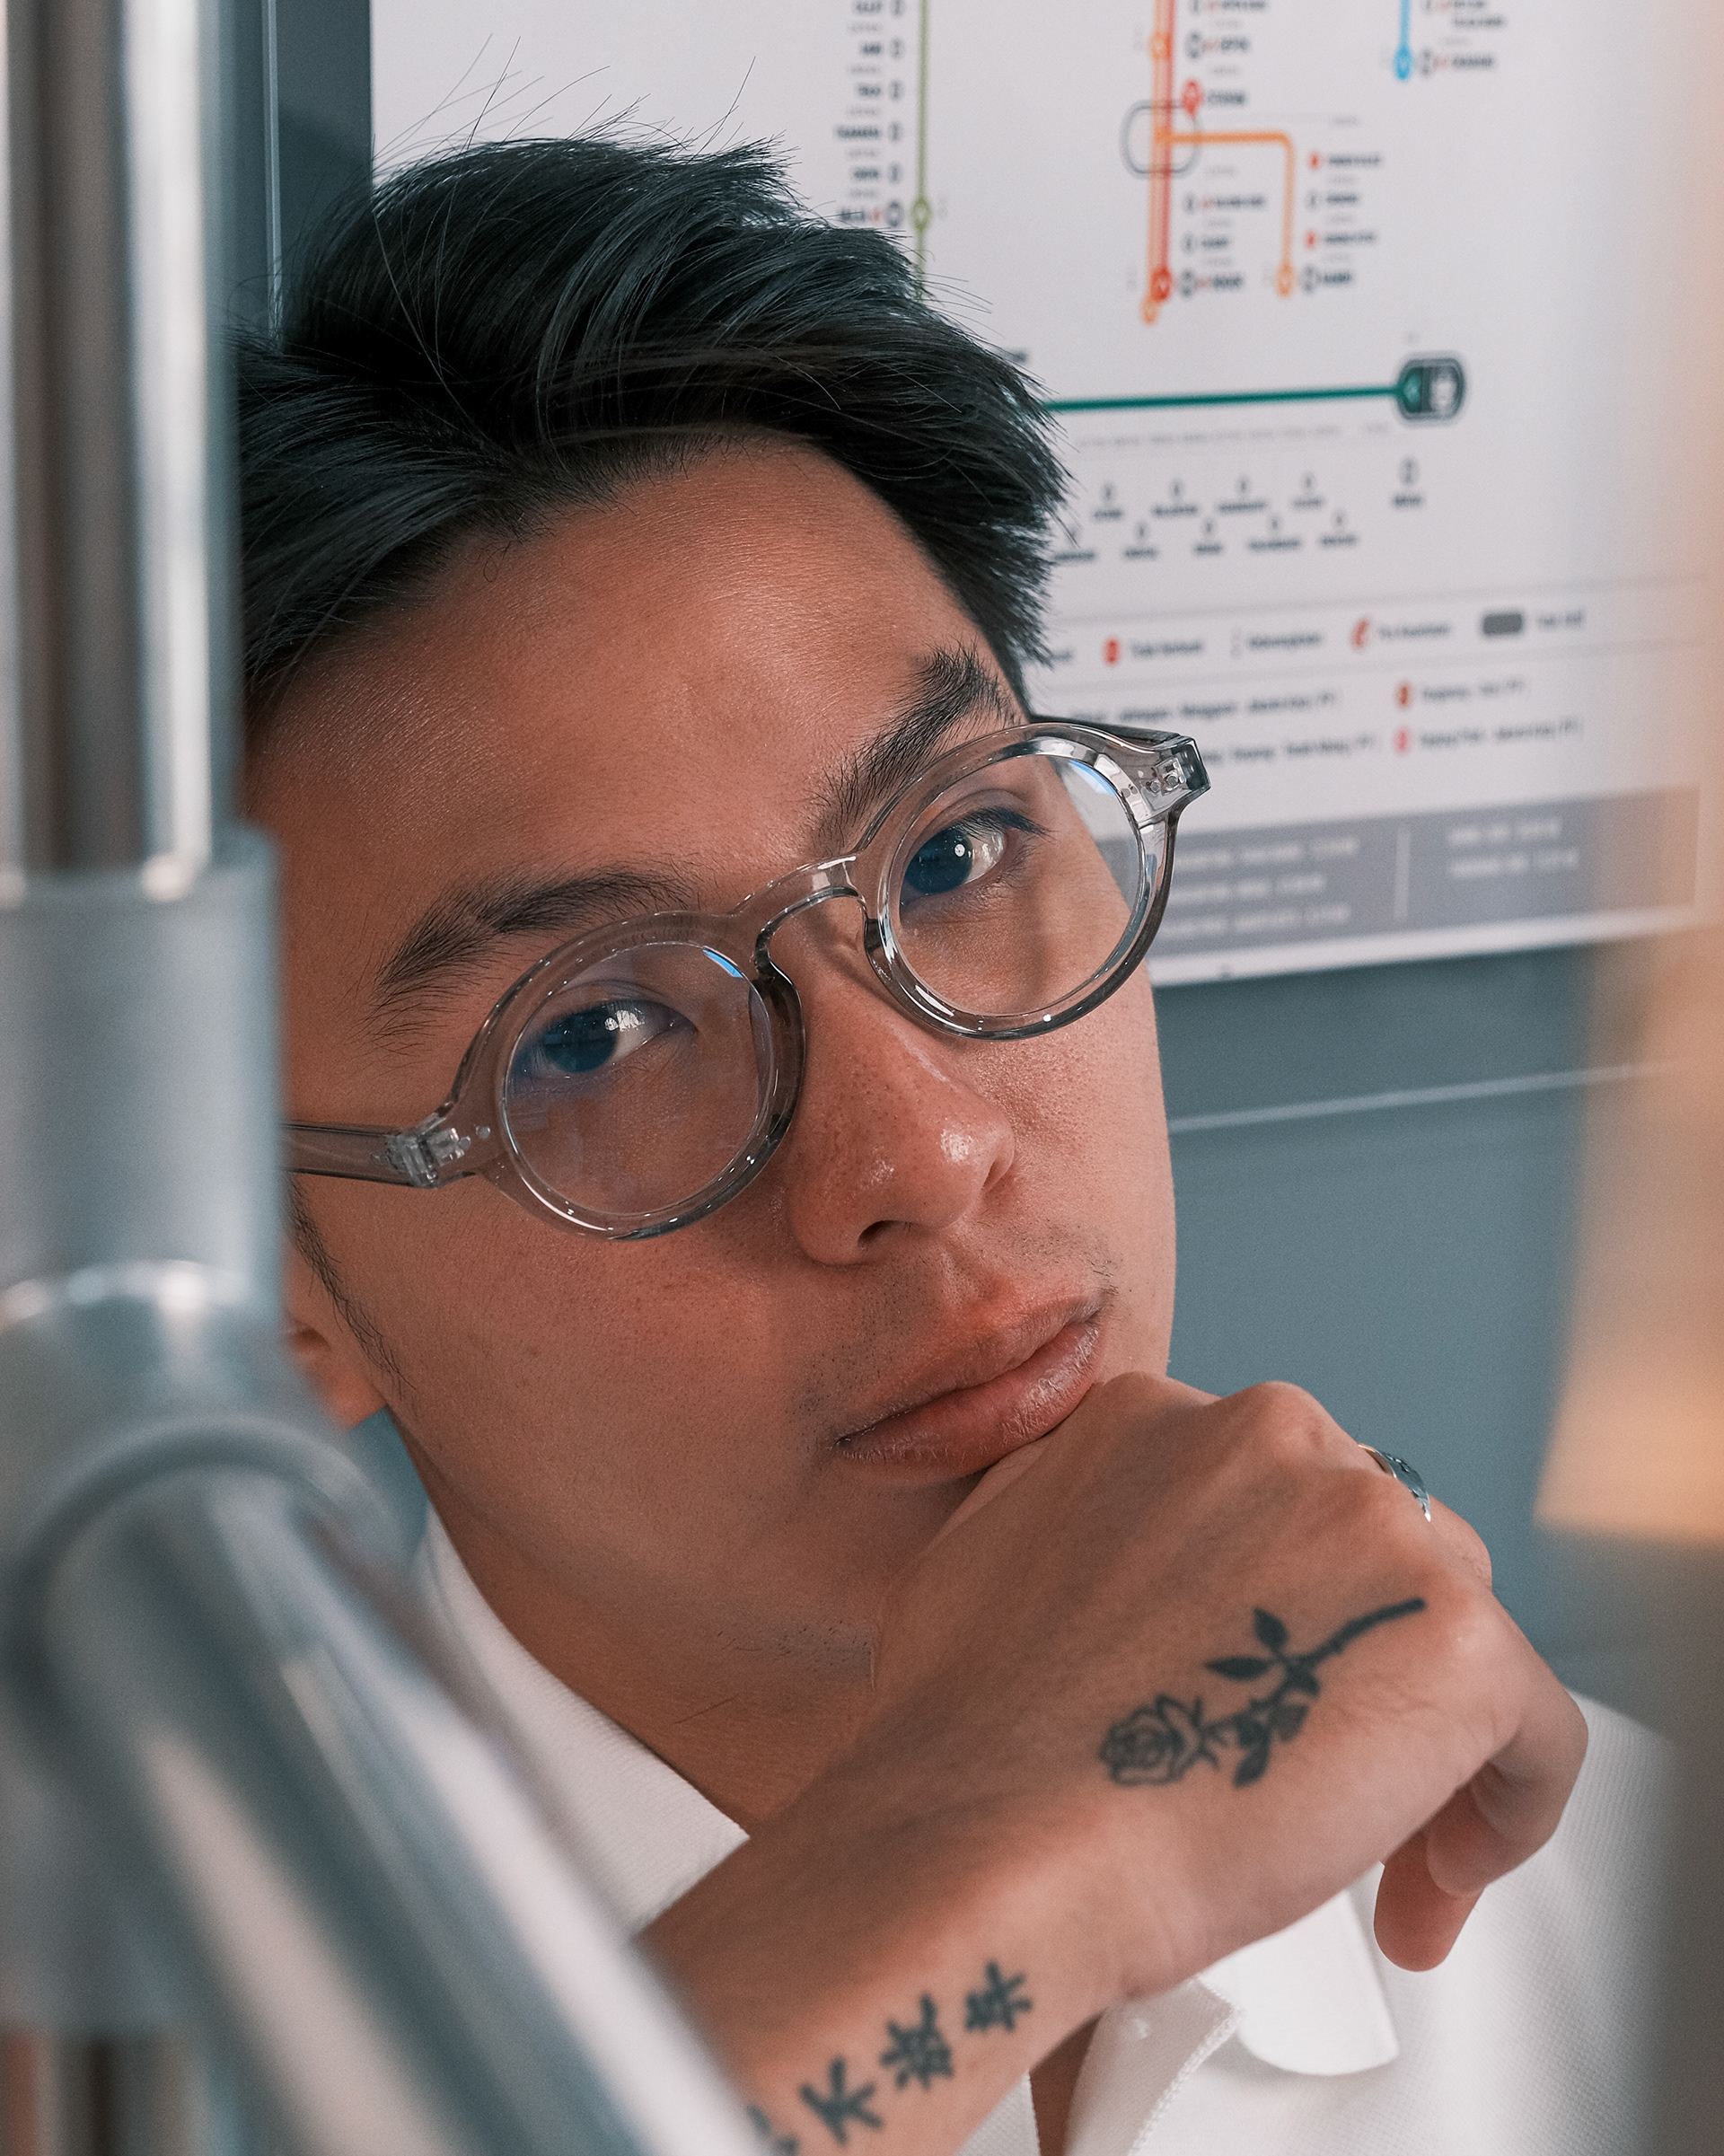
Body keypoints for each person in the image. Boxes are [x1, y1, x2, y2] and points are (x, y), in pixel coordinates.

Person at [244, 137, 1664, 2155]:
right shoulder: (136, 2036)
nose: (918, 1148)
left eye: (959, 852)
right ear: (267, 1279)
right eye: (595, 1034)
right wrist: (1004, 1853)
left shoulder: (1642, 1923)